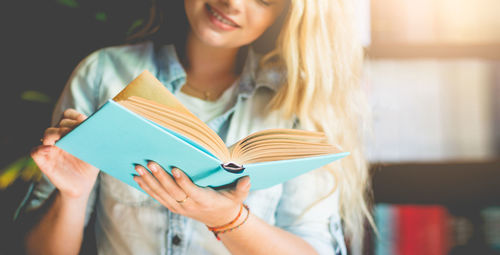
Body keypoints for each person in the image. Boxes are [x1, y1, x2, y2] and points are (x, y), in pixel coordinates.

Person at [15, 0, 373, 254]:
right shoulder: (103, 74)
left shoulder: (296, 103)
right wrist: (72, 196)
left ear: (284, 15)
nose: (233, 3)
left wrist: (228, 219)